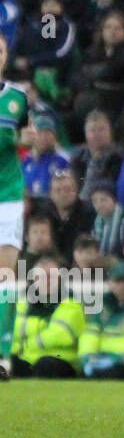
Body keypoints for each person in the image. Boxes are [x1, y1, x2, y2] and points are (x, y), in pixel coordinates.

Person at [0, 31, 29, 380]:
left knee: (4, 277)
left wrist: (26, 140)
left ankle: (3, 355)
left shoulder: (18, 98)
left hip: (7, 196)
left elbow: (30, 136)